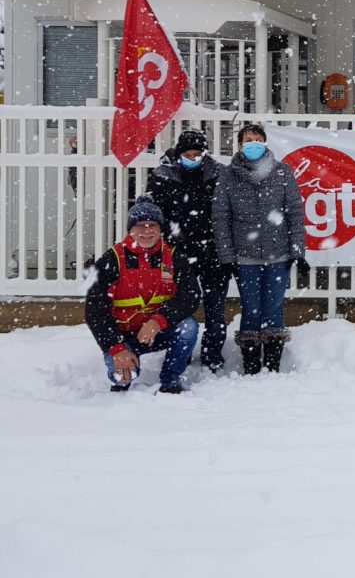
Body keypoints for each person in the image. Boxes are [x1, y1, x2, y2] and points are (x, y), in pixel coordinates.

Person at [212, 124, 308, 375]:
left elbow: (295, 213)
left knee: (274, 306)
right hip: (245, 256)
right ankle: (251, 364)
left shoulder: (282, 172)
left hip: (279, 253)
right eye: (247, 140)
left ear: (265, 143)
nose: (252, 143)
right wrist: (226, 255)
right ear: (240, 146)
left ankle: (273, 364)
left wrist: (298, 251)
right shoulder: (228, 175)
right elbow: (220, 217)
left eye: (257, 139)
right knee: (251, 307)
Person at [84, 196, 200, 393]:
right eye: (140, 225)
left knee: (188, 327)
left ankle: (171, 380)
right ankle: (125, 369)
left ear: (160, 229)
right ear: (131, 229)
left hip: (157, 332)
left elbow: (190, 297)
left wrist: (158, 320)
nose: (147, 231)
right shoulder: (111, 260)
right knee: (121, 379)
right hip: (123, 337)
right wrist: (116, 348)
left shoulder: (172, 257)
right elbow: (95, 310)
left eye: (152, 225)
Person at [146, 127, 230, 372]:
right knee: (179, 305)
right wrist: (169, 241)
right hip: (177, 254)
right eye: (188, 153)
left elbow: (227, 213)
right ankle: (179, 354)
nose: (192, 158)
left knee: (215, 307)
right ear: (179, 153)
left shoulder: (218, 174)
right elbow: (154, 212)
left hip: (212, 252)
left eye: (197, 154)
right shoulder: (163, 176)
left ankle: (212, 355)